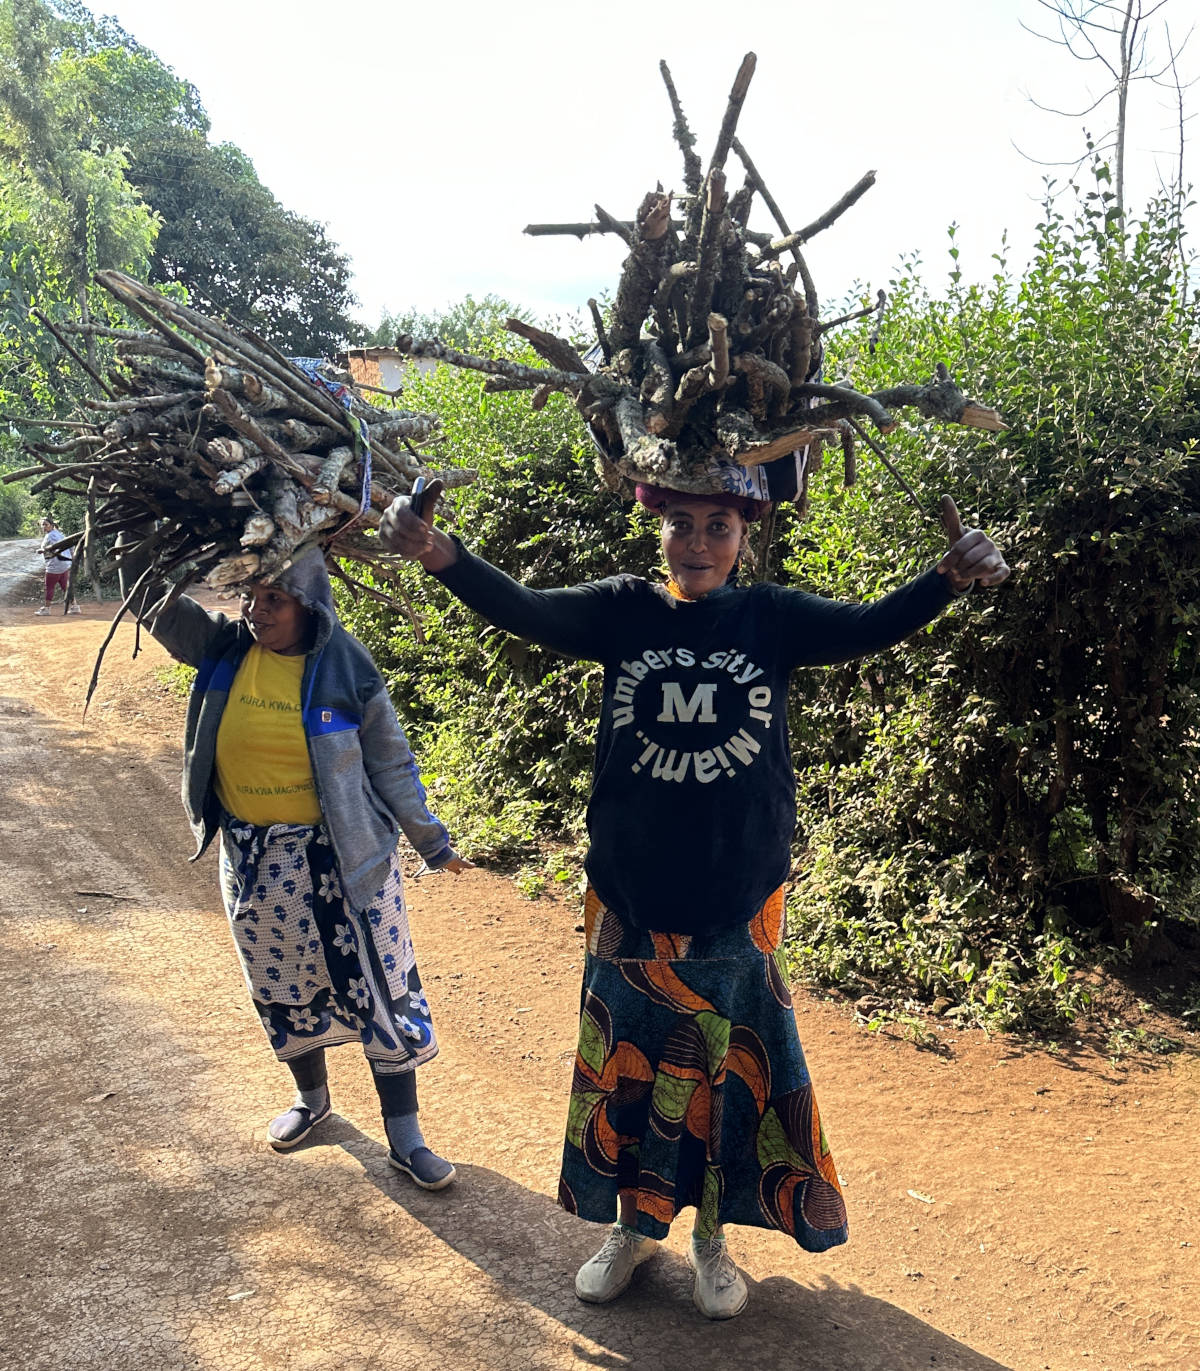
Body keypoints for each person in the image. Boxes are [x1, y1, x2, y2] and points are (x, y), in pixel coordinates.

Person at [379, 478, 1009, 1317]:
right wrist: (438, 552)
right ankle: (633, 1227)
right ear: (659, 528)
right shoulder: (623, 611)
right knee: (628, 1067)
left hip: (737, 901)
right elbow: (525, 607)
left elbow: (867, 625)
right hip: (628, 899)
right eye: (683, 524)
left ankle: (713, 1239)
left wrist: (946, 579)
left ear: (745, 534)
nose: (700, 543)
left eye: (719, 525)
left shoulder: (771, 618)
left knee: (726, 1075)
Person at [126, 544, 470, 1188]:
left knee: (376, 989)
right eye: (250, 597)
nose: (257, 611)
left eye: (274, 600)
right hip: (255, 862)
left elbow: (390, 761)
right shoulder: (225, 648)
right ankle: (312, 1102)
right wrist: (139, 544)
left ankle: (406, 1138)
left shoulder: (345, 665)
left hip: (346, 861)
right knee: (279, 981)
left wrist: (432, 840)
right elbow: (154, 604)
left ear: (309, 605)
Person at [36, 515, 80, 615]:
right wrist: (71, 557)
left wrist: (42, 550)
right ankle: (75, 606)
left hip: (55, 565)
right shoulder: (60, 534)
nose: (44, 527)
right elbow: (70, 546)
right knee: (65, 586)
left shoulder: (50, 536)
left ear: (52, 525)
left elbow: (54, 547)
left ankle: (47, 609)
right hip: (65, 564)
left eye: (46, 525)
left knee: (49, 586)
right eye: (42, 525)